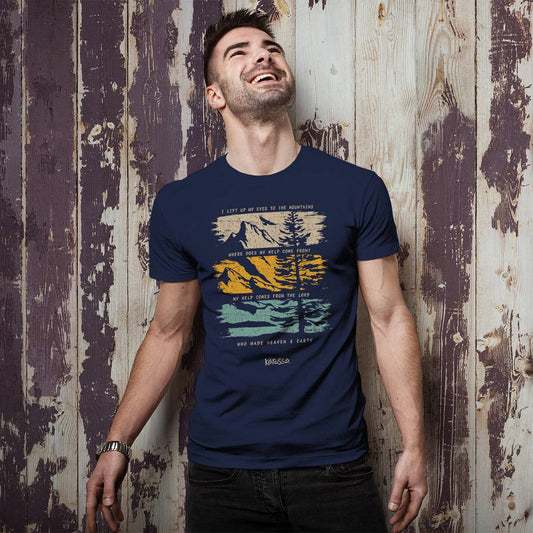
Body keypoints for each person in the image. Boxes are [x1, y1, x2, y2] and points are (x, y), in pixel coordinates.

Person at [85, 8, 427, 533]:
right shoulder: (181, 204)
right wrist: (117, 444)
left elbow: (389, 318)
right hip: (222, 473)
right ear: (215, 95)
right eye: (238, 53)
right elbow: (168, 333)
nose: (262, 57)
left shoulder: (357, 190)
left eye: (271, 50)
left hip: (335, 467)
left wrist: (415, 445)